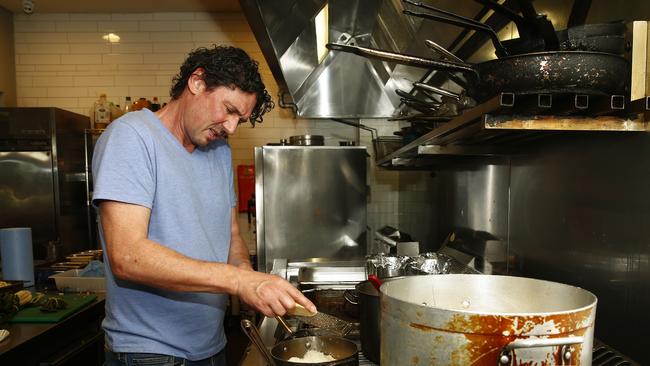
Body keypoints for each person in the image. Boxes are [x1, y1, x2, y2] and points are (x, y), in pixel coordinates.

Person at [93, 45, 316, 366]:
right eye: (228, 109)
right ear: (196, 82)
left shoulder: (219, 151)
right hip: (150, 351)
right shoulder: (131, 137)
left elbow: (229, 235)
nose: (231, 127)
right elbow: (128, 256)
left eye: (240, 119)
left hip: (211, 345)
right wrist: (240, 282)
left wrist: (248, 277)